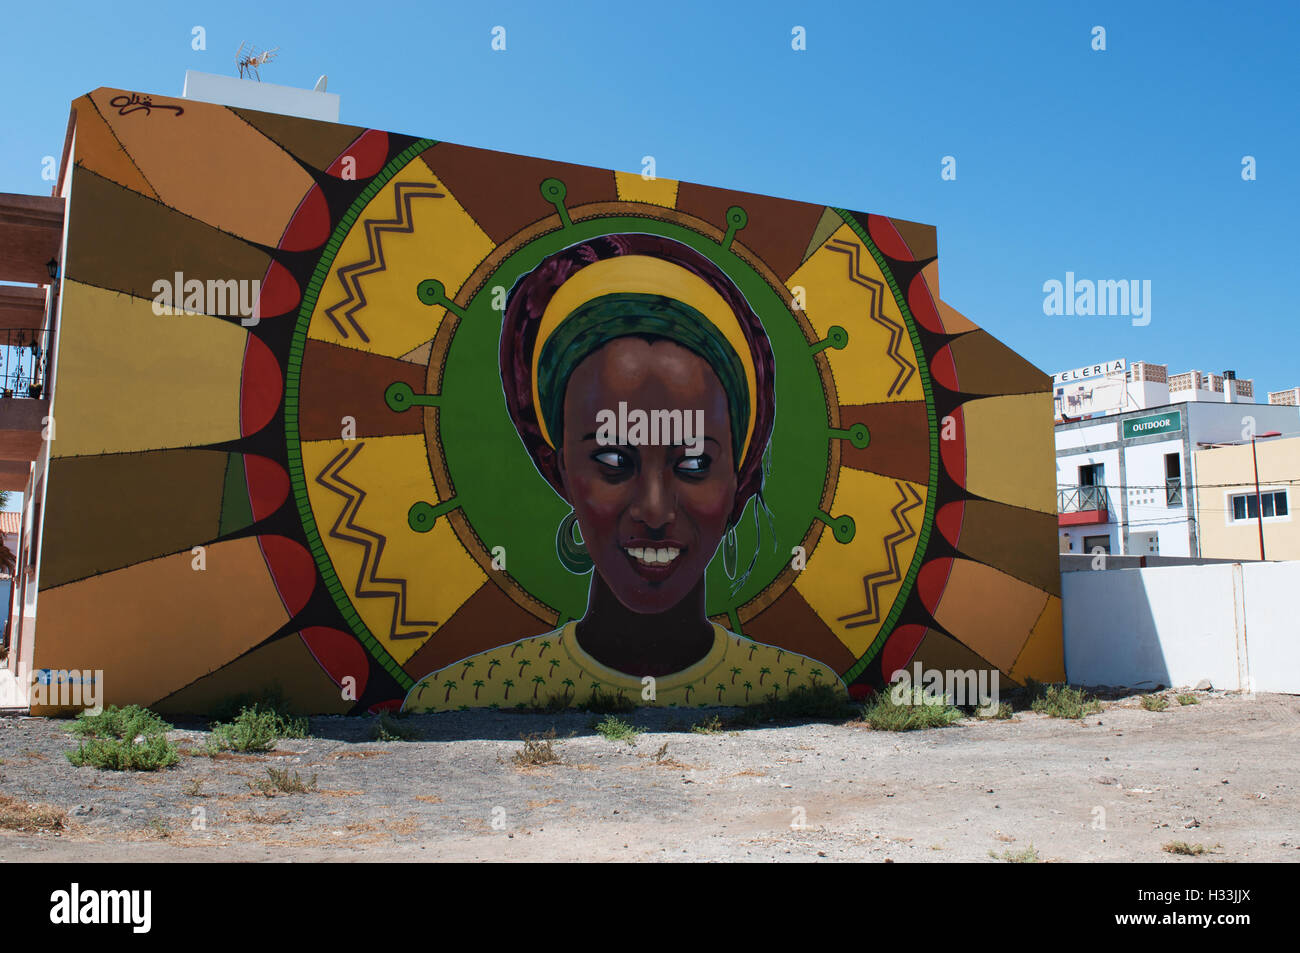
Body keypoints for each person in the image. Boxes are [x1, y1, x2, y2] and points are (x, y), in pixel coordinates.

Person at [404, 234, 844, 711]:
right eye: (614, 461)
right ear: (560, 469)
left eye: (694, 464)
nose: (655, 511)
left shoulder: (800, 692)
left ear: (739, 476)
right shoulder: (464, 698)